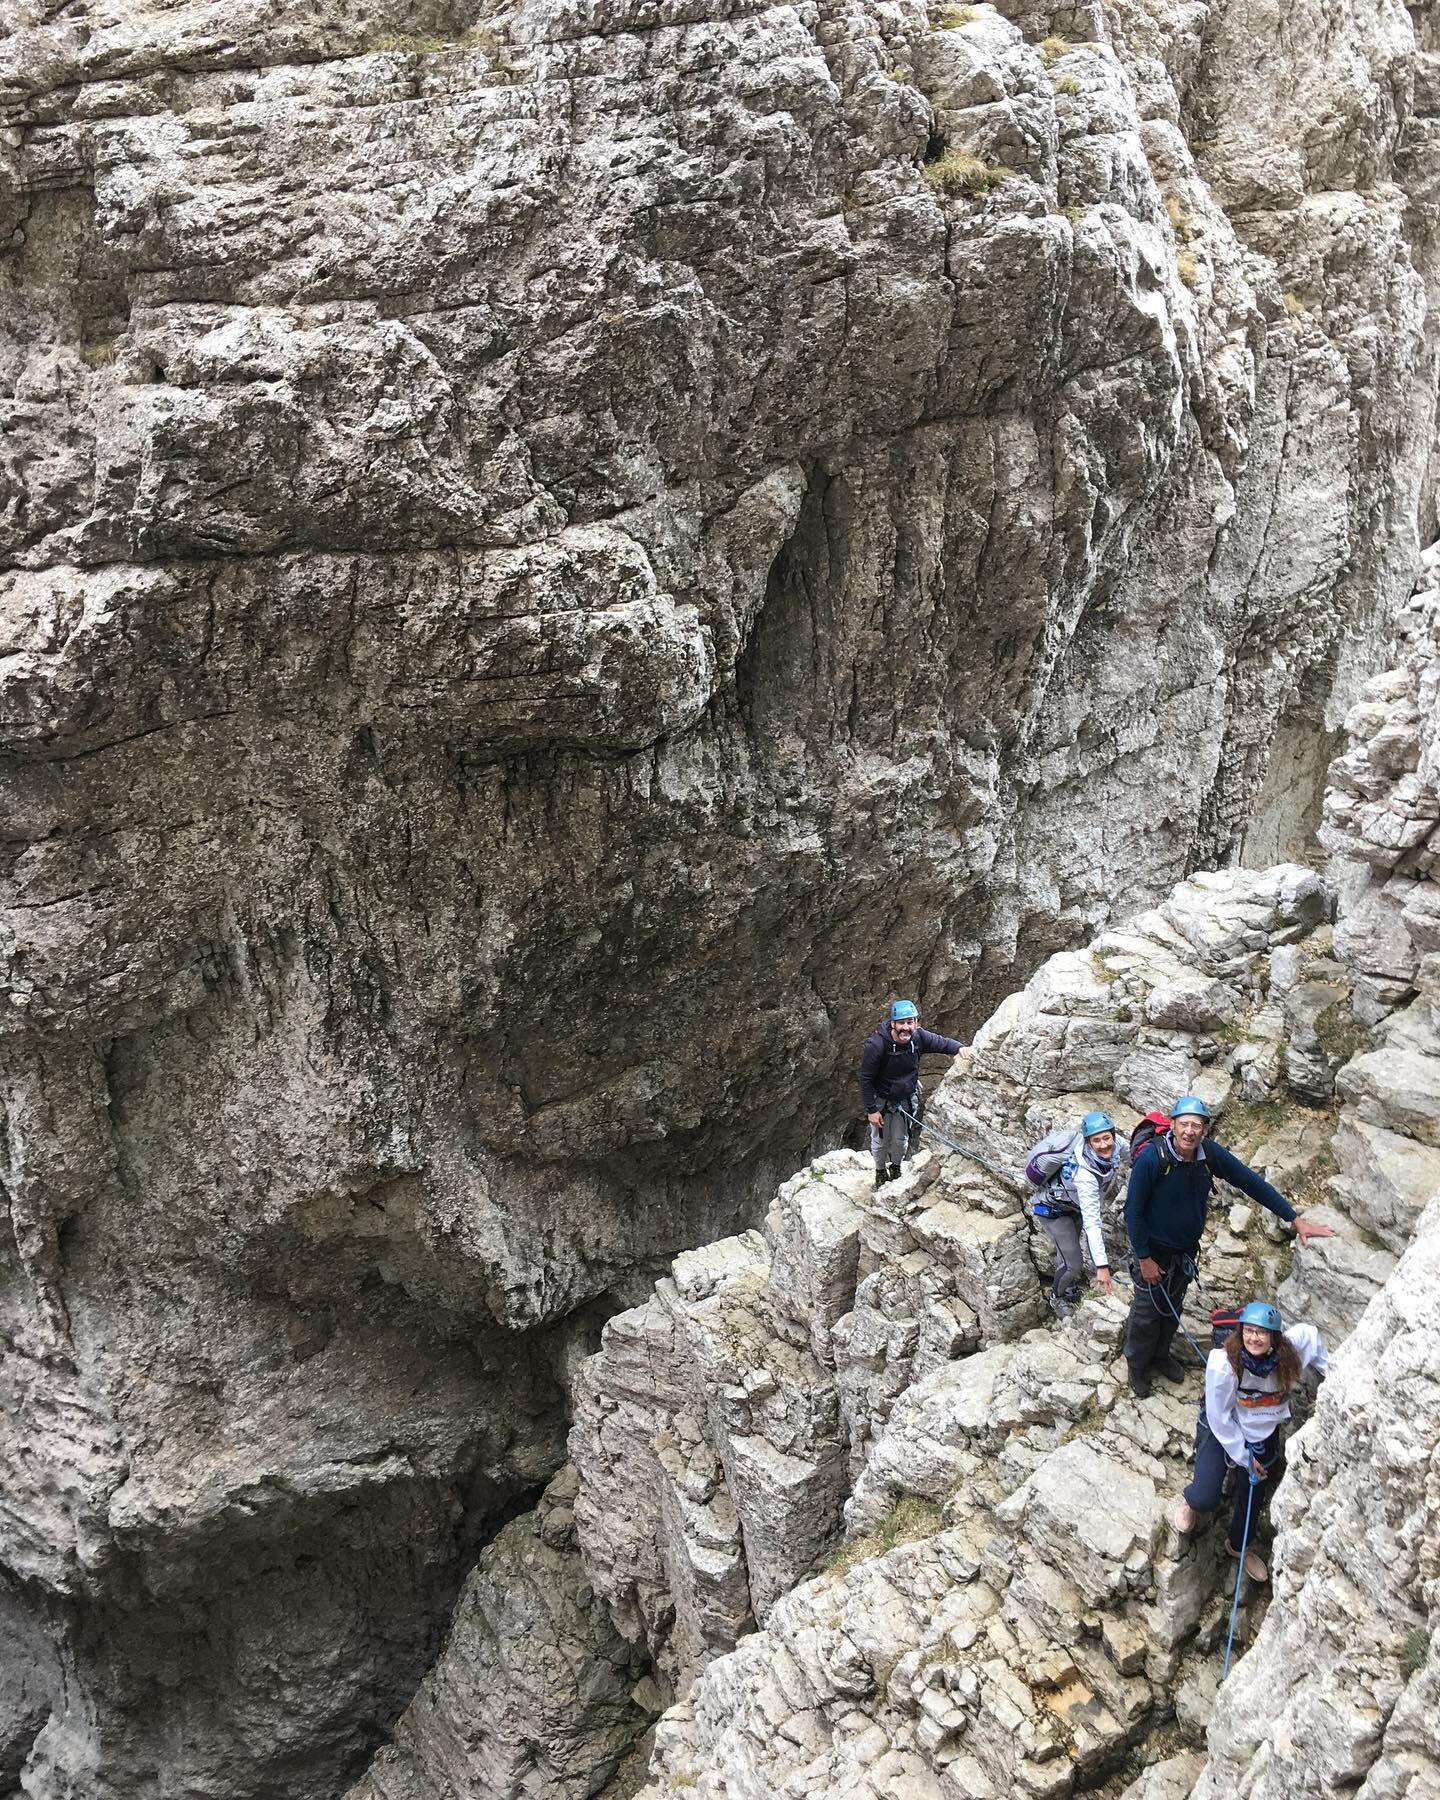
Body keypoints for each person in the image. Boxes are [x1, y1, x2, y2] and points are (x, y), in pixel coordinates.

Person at [1123, 1095, 1335, 1398]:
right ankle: (1137, 1367)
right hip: (1152, 1252)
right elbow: (1133, 1211)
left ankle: (1160, 1356)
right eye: (1184, 1124)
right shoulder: (1153, 1159)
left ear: (1205, 1130)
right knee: (1146, 1313)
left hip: (1182, 1253)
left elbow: (1250, 1182)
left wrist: (1294, 1219)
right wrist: (1143, 1258)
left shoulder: (1207, 1155)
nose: (1189, 1131)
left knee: (1172, 1309)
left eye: (1197, 1126)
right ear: (1172, 1125)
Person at [1172, 1300, 1327, 1581]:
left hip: (1264, 1431)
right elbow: (1218, 1416)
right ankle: (1191, 1501)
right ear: (1241, 1332)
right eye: (1249, 1331)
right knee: (1207, 1495)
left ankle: (1238, 1547)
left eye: (1262, 1332)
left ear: (1274, 1338)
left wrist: (1335, 1374)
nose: (1254, 1337)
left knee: (1254, 1494)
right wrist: (1244, 1456)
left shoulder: (1288, 1355)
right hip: (1224, 1425)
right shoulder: (1225, 1365)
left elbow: (1311, 1336)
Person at [858, 1000, 970, 1188]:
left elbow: (942, 1043)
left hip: (907, 1098)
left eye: (910, 1023)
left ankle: (895, 1167)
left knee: (901, 1140)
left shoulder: (918, 1038)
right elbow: (865, 1079)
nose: (906, 1028)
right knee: (880, 1141)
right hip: (881, 1101)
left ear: (916, 1024)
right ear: (893, 1024)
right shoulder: (876, 1045)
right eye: (901, 1023)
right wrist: (871, 1110)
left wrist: (960, 1047)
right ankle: (879, 1171)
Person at [1034, 1111, 1128, 1314]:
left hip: (1072, 1207)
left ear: (1113, 1134)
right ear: (1088, 1142)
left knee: (1066, 1254)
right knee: (1073, 1263)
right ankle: (1057, 1297)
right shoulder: (1084, 1175)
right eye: (1096, 1141)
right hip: (1053, 1211)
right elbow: (1092, 1224)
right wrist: (1102, 1267)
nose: (1103, 1145)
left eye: (1106, 1138)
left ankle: (1067, 1288)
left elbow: (1133, 1155)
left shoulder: (1117, 1143)